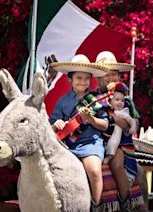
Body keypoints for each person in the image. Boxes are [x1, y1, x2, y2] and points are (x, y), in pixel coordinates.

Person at [49, 54, 109, 207]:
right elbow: (51, 126)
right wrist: (57, 124)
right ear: (70, 79)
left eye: (86, 78)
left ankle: (96, 206)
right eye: (78, 78)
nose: (83, 82)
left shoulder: (96, 99)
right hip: (67, 147)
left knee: (94, 171)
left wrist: (91, 120)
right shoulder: (63, 101)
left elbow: (105, 125)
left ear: (91, 79)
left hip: (91, 144)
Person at [95, 51, 146, 211]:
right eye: (106, 74)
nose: (111, 78)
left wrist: (119, 120)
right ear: (98, 77)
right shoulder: (92, 98)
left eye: (114, 74)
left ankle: (127, 204)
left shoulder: (125, 99)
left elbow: (131, 122)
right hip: (96, 143)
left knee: (122, 165)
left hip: (121, 144)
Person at [104, 86, 138, 164]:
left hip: (116, 135)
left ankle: (109, 156)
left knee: (113, 143)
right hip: (107, 134)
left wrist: (132, 127)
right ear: (110, 101)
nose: (120, 102)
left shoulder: (122, 112)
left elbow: (131, 120)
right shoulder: (107, 110)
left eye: (122, 101)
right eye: (117, 100)